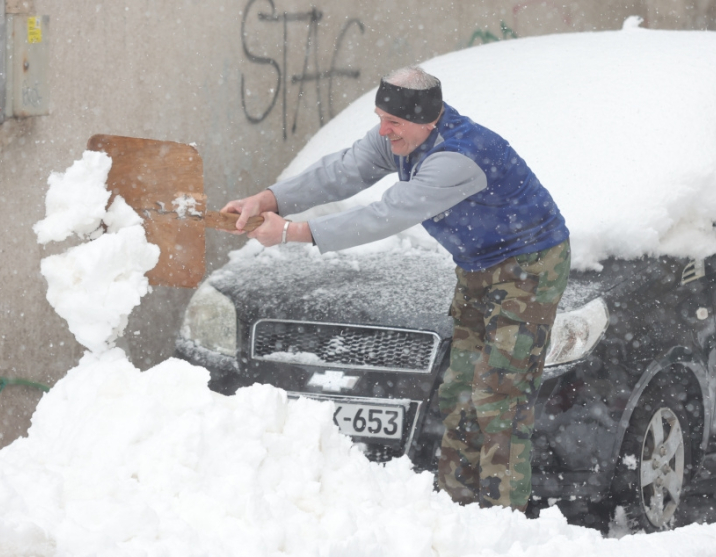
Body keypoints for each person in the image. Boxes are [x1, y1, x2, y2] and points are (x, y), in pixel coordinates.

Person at [223, 66, 570, 511]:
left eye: (394, 123)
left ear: (428, 120)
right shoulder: (403, 135)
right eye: (380, 119)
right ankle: (456, 514)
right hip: (478, 266)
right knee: (461, 391)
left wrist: (292, 232)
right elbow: (341, 172)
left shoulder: (458, 157)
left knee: (500, 396)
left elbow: (385, 215)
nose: (384, 132)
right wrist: (267, 200)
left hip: (530, 265)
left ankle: (505, 520)